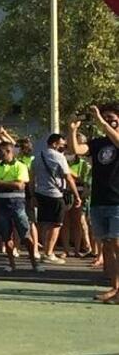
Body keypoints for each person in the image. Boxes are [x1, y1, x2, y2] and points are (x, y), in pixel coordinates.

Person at [68, 105, 119, 301]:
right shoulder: (97, 143)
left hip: (117, 201)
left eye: (111, 117)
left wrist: (102, 121)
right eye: (105, 117)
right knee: (107, 245)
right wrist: (72, 129)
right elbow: (77, 149)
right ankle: (115, 288)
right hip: (99, 200)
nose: (106, 120)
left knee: (116, 244)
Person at [0, 137, 42, 273]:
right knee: (6, 236)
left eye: (2, 152)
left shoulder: (21, 166)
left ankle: (34, 262)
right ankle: (12, 263)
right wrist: (9, 183)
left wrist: (3, 183)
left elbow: (20, 185)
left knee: (25, 235)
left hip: (18, 205)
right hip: (2, 205)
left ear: (9, 151)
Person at [33, 133, 80, 264]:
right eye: (62, 144)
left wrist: (32, 195)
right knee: (56, 224)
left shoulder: (37, 157)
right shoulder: (59, 157)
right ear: (54, 144)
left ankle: (45, 252)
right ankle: (49, 253)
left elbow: (32, 177)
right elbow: (68, 177)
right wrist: (76, 195)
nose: (64, 147)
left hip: (40, 193)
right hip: (55, 194)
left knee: (45, 223)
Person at [66, 147, 93, 259]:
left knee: (81, 221)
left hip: (81, 194)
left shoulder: (83, 164)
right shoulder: (64, 160)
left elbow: (83, 179)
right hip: (66, 193)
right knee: (66, 223)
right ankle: (67, 249)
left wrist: (68, 171)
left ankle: (84, 246)